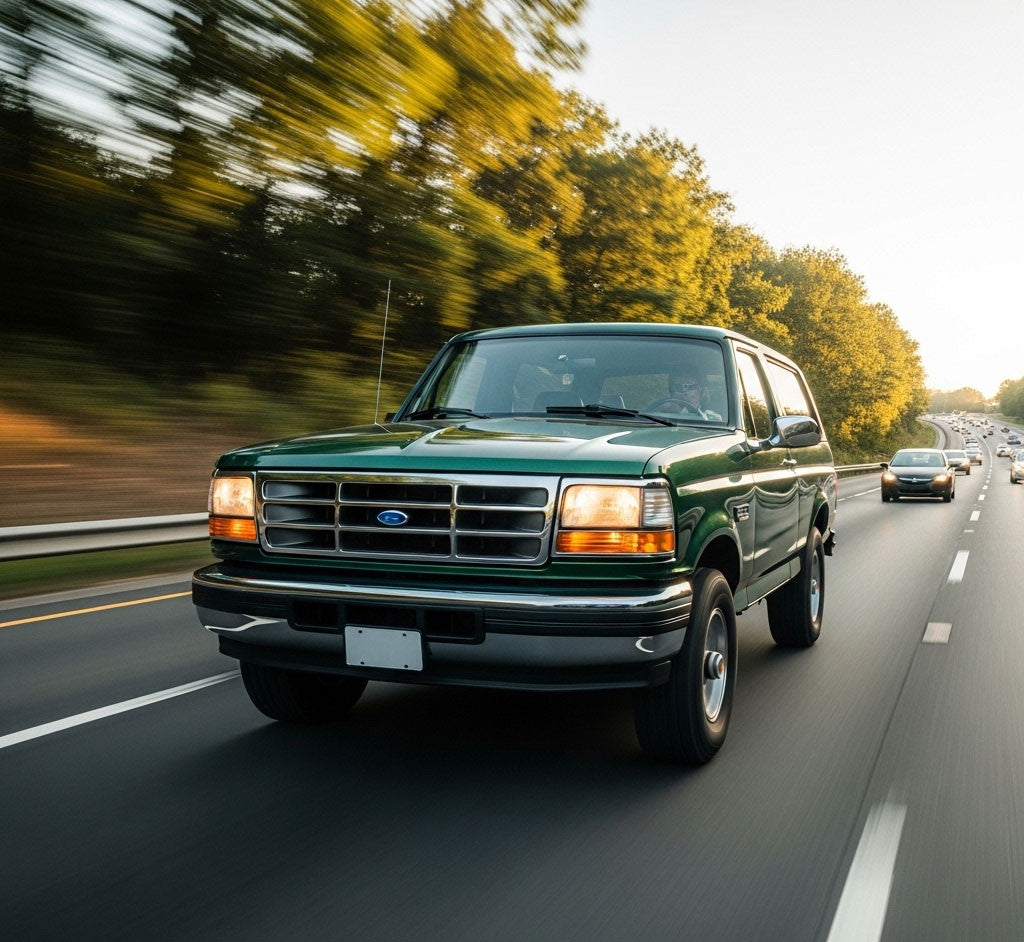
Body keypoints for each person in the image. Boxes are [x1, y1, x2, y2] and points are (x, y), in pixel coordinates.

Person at [657, 367, 723, 420]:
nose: (684, 392)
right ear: (672, 392)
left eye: (690, 386)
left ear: (701, 392)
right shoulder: (658, 415)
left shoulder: (711, 420)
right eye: (678, 386)